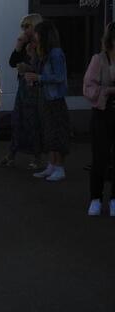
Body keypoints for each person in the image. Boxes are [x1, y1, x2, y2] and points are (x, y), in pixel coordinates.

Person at [0, 14, 43, 169]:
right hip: (23, 86)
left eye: (26, 27)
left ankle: (36, 157)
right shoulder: (25, 43)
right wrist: (18, 46)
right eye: (23, 27)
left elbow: (42, 67)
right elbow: (11, 62)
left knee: (33, 122)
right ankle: (11, 155)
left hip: (35, 88)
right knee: (17, 120)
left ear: (33, 26)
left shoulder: (41, 44)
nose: (24, 30)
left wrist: (28, 68)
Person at [26, 20, 70, 182]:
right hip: (46, 97)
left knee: (58, 132)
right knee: (49, 131)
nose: (34, 36)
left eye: (37, 33)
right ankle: (52, 165)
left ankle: (59, 167)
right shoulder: (43, 52)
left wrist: (39, 77)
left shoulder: (56, 53)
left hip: (55, 99)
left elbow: (59, 77)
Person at [84, 22, 115, 216]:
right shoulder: (99, 59)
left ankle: (114, 199)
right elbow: (88, 88)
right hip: (103, 114)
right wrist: (108, 91)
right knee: (99, 158)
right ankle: (96, 198)